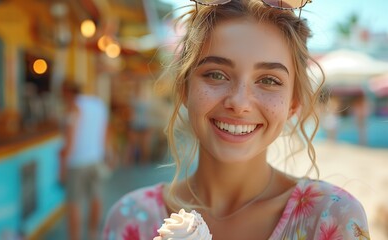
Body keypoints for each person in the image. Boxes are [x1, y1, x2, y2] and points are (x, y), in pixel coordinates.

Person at [102, 0, 370, 239]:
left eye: (268, 80)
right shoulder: (130, 220)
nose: (239, 103)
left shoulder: (334, 217)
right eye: (216, 74)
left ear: (293, 103)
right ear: (185, 88)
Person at [59, 80, 109, 240]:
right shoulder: (98, 104)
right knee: (96, 197)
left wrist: (62, 167)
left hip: (77, 162)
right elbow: (105, 131)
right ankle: (93, 234)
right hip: (95, 158)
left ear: (67, 92)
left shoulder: (74, 107)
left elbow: (70, 140)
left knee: (74, 203)